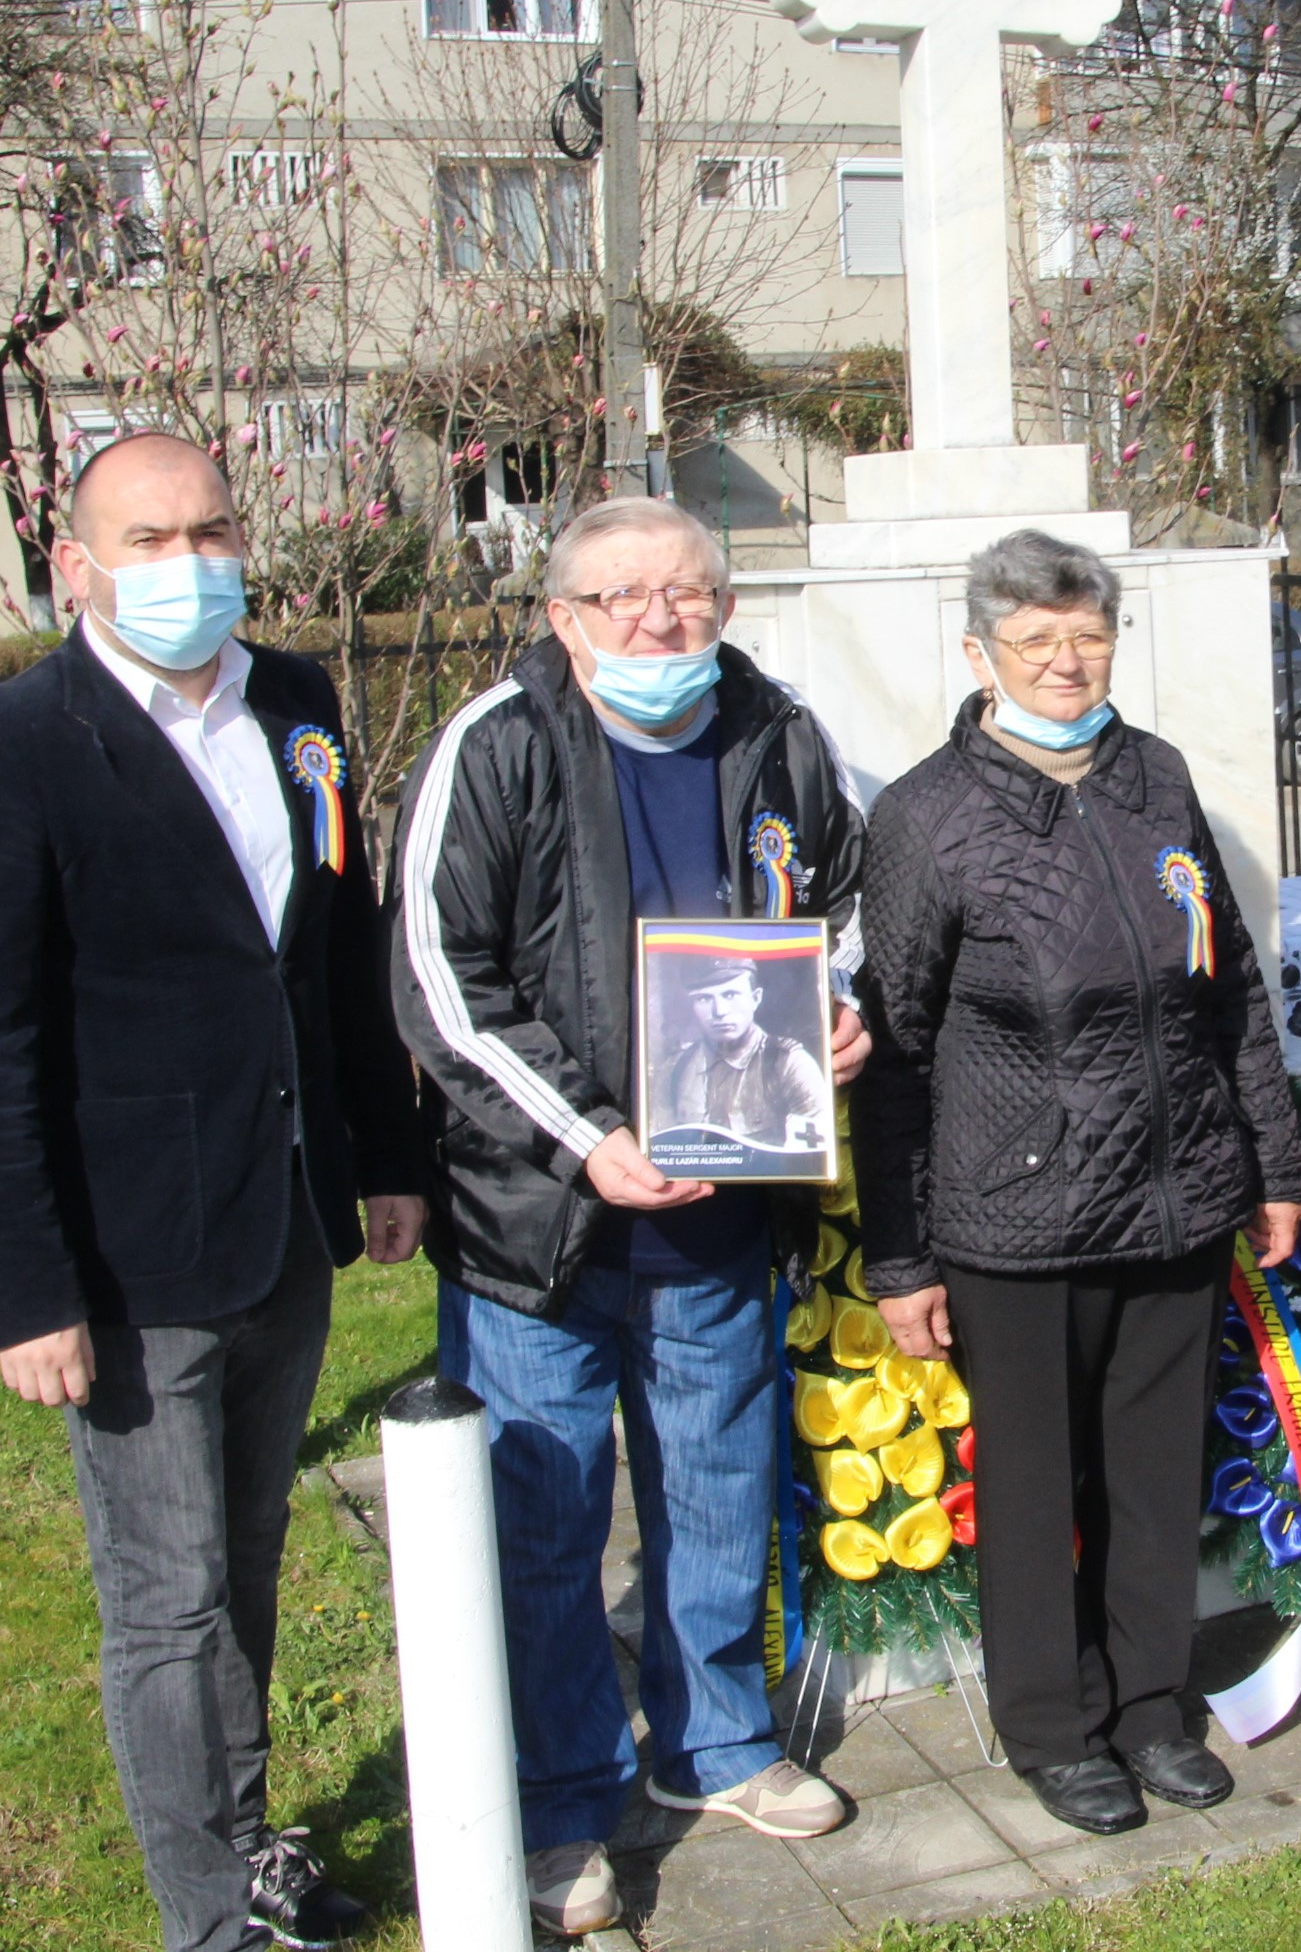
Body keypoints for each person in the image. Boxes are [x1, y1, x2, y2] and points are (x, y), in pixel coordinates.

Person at [0, 431, 426, 1952]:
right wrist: (25, 1289)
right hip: (128, 1253)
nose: (188, 563)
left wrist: (387, 1153)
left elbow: (335, 945)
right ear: (74, 565)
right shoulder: (11, 744)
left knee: (246, 1560)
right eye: (148, 540)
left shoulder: (297, 704)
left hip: (285, 1220)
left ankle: (245, 1838)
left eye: (209, 531)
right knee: (169, 1595)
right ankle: (207, 1916)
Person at [389, 499, 865, 1939]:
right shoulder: (498, 746)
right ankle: (555, 1801)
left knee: (716, 1488)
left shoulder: (777, 733)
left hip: (718, 1212)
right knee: (541, 1526)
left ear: (723, 603)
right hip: (539, 1224)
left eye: (687, 591)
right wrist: (587, 1137)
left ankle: (713, 1740)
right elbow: (442, 980)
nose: (659, 619)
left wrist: (839, 1006)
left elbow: (844, 902)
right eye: (621, 597)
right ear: (561, 616)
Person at [855, 529, 1301, 1838]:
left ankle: (1151, 1704)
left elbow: (1228, 984)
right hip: (1018, 1216)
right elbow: (894, 1048)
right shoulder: (926, 815)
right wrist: (901, 1254)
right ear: (979, 653)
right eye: (1035, 639)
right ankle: (1053, 1726)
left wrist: (1271, 1161)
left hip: (1174, 1198)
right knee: (1037, 1485)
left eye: (1087, 635)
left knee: (1154, 1476)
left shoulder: (1155, 776)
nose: (1065, 661)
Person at [657, 953, 833, 1153]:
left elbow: (814, 1156)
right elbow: (661, 1146)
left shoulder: (790, 1064)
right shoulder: (676, 1069)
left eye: (730, 995)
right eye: (704, 998)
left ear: (756, 998)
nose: (719, 1011)